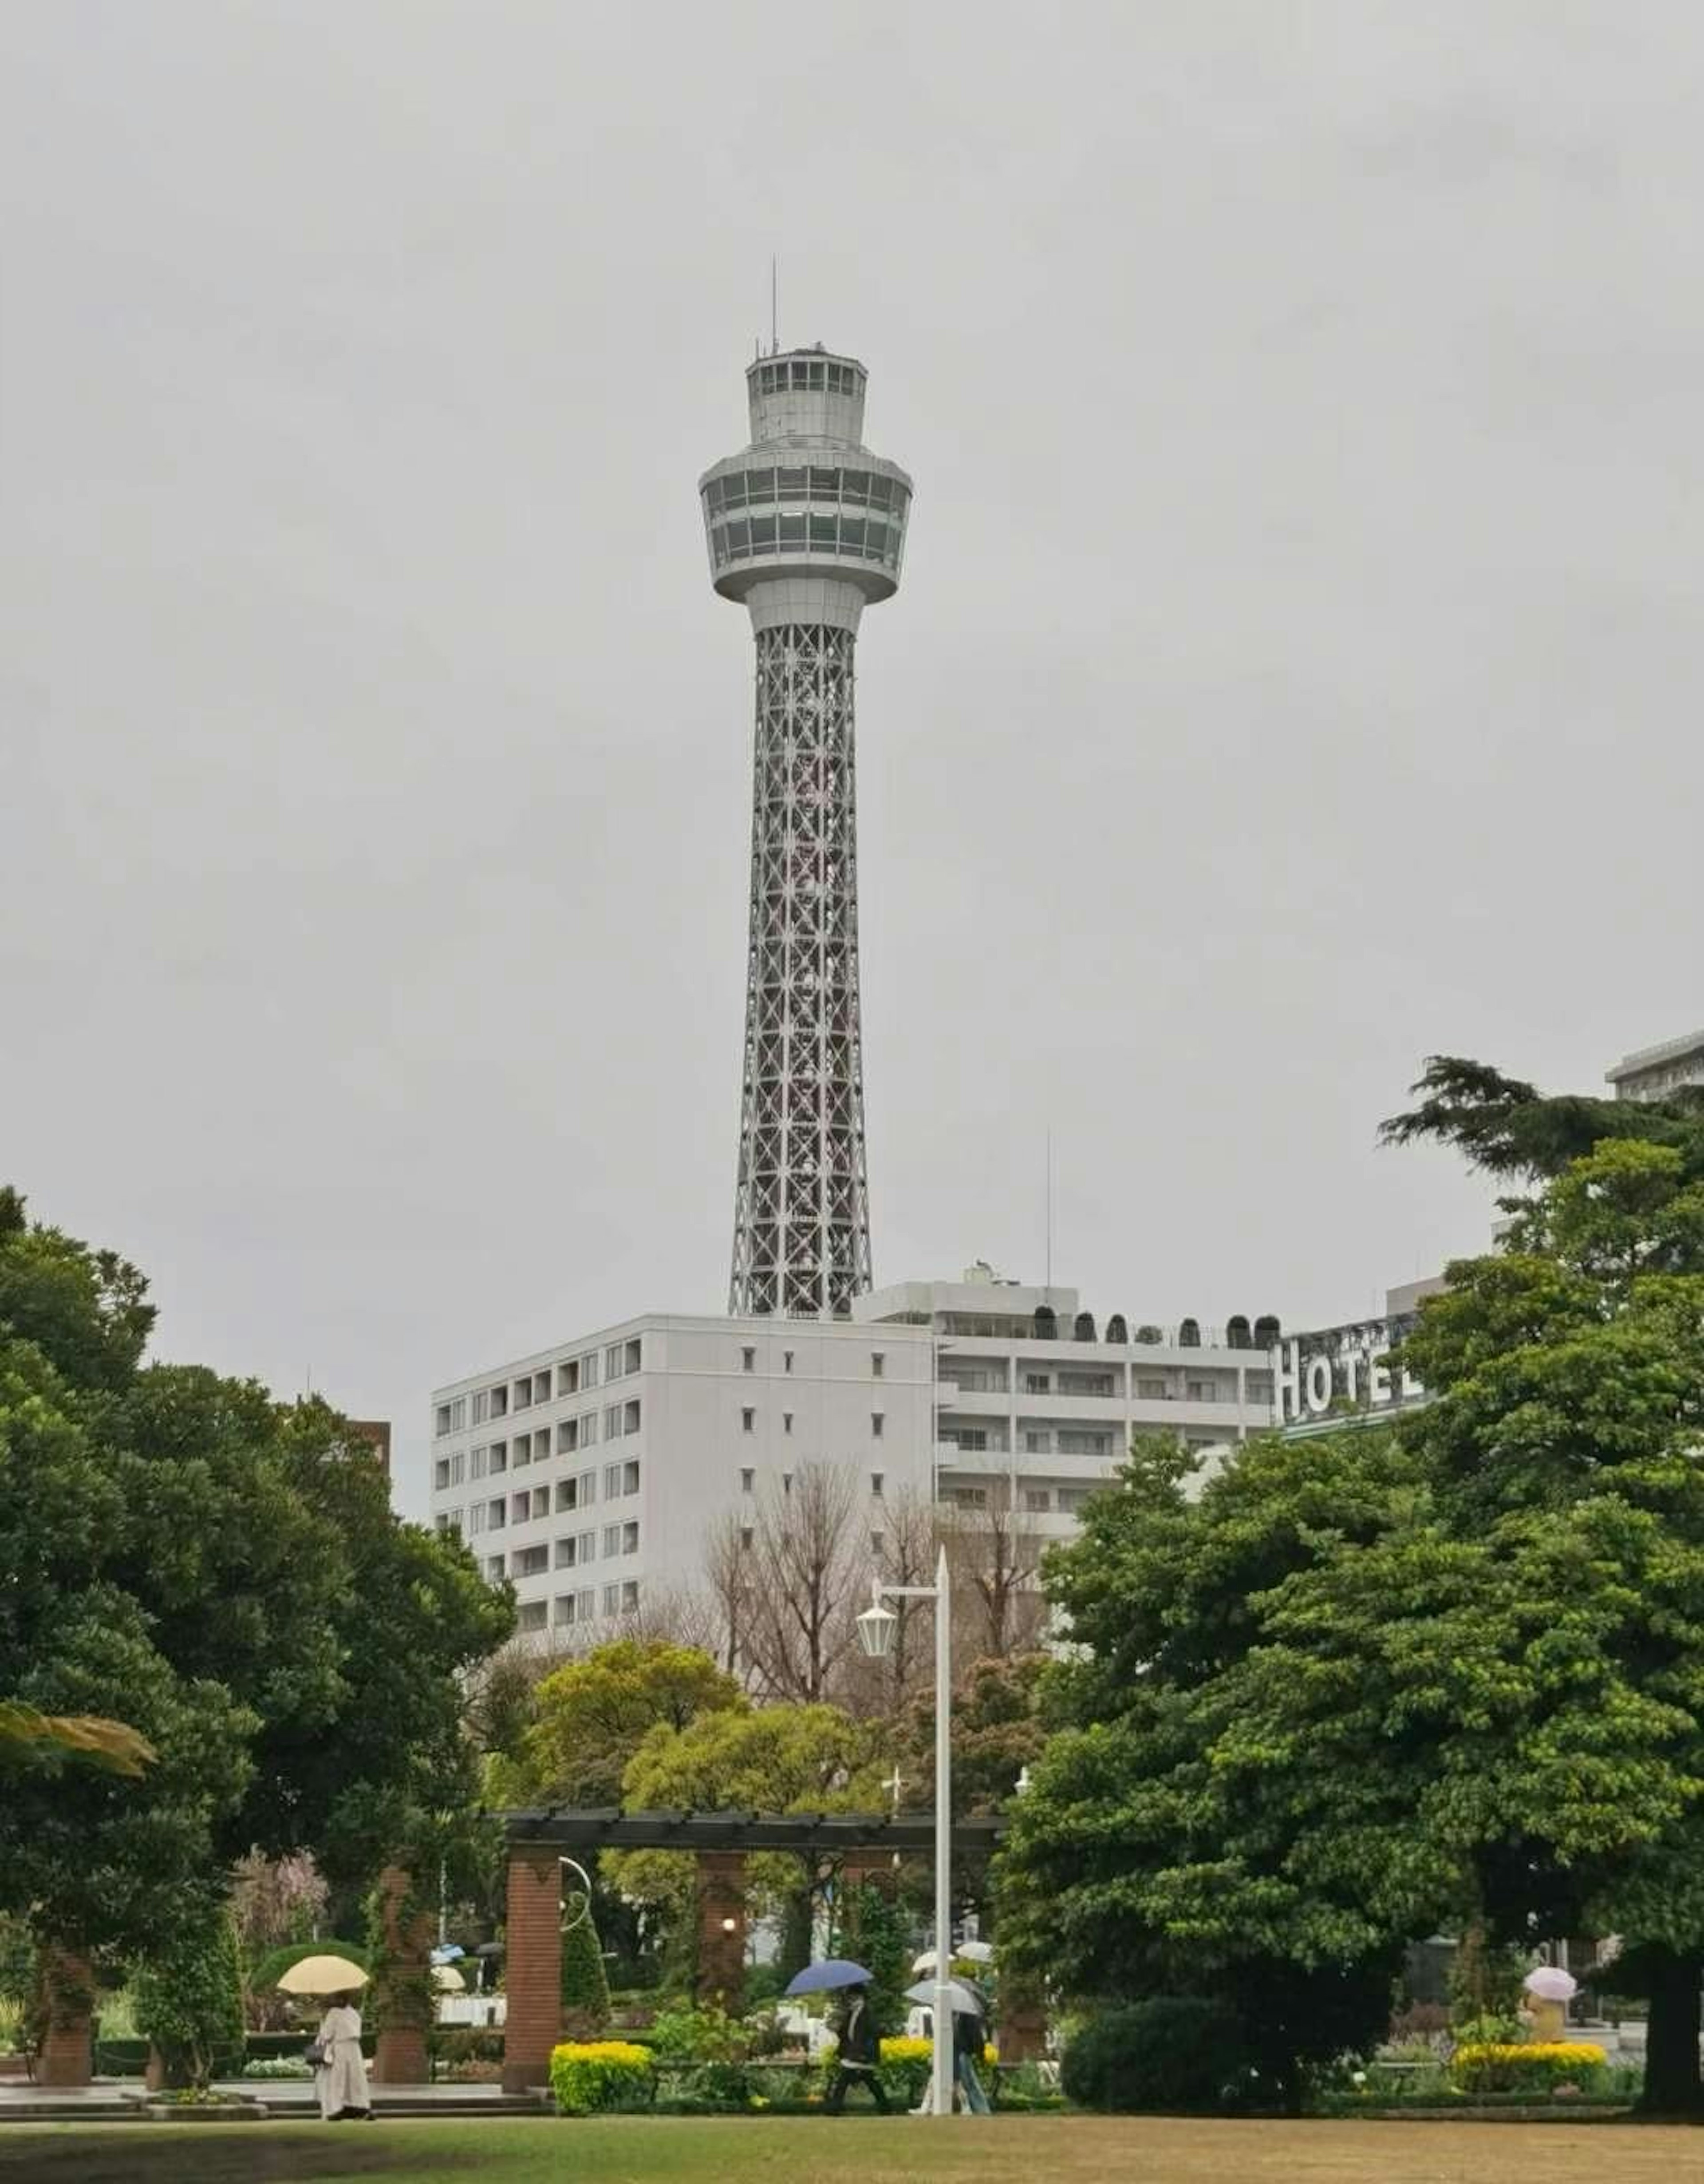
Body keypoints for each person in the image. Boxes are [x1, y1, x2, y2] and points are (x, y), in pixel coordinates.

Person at [825, 1983, 890, 2113]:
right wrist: (837, 2029)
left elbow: (873, 2032)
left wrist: (862, 2052)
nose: (849, 2000)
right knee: (868, 2082)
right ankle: (885, 2107)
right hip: (852, 2053)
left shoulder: (868, 2013)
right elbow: (846, 2033)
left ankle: (835, 2108)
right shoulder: (851, 2013)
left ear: (859, 1997)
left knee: (845, 2082)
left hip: (862, 2054)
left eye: (852, 1997)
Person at [314, 1992, 375, 2121]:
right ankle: (360, 2106)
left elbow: (327, 2035)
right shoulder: (354, 2014)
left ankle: (336, 2108)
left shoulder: (334, 2013)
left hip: (339, 2049)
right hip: (354, 2050)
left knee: (337, 2080)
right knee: (355, 2080)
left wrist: (323, 2022)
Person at [953, 1987, 992, 2115]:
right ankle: (980, 2110)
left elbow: (976, 2036)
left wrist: (980, 2054)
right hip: (960, 2052)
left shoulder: (968, 2014)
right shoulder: (960, 2014)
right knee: (968, 2082)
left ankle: (983, 2111)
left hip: (964, 2052)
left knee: (969, 2083)